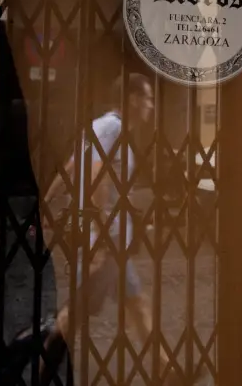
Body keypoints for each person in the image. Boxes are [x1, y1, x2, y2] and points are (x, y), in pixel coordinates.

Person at [38, 72, 194, 384]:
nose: (151, 105)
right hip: (104, 241)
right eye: (147, 98)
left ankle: (167, 370)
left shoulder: (99, 126)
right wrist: (102, 233)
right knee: (74, 314)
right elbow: (97, 175)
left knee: (135, 305)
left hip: (111, 241)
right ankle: (41, 370)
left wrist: (47, 201)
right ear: (133, 100)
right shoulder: (112, 128)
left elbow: (71, 165)